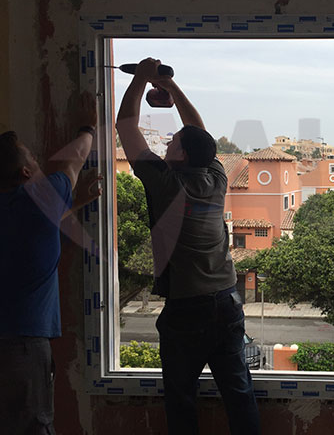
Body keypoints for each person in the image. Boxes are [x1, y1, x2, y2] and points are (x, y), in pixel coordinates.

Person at [116, 58, 260, 435]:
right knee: (239, 392)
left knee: (181, 399)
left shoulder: (167, 185)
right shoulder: (215, 177)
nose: (166, 144)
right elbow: (199, 133)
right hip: (227, 301)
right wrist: (170, 87)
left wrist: (143, 78)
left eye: (172, 143)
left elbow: (126, 127)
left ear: (180, 156)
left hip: (188, 309)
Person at [0, 94, 102, 434]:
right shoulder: (39, 198)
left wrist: (73, 202)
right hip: (23, 347)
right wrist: (88, 127)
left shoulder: (25, 209)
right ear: (26, 171)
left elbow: (27, 232)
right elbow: (72, 163)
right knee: (34, 427)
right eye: (33, 157)